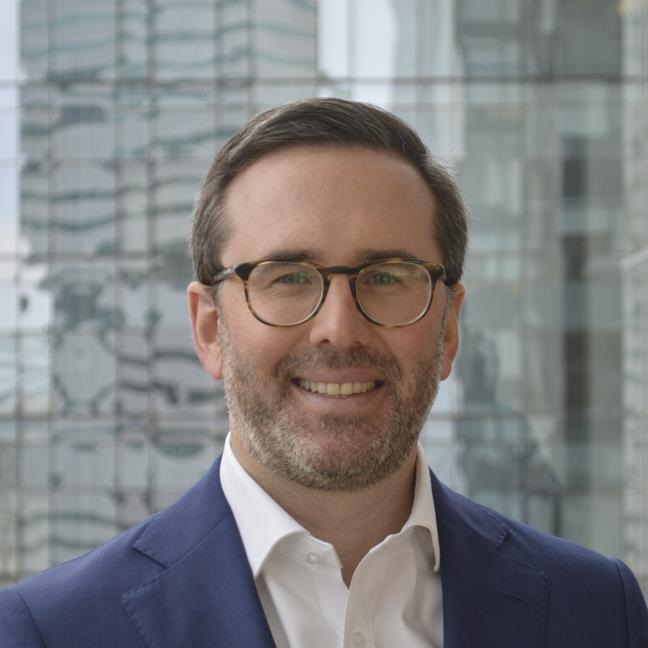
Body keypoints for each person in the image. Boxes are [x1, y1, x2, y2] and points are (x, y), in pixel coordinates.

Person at [0, 98, 646, 648]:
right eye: (287, 277)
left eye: (387, 277)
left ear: (449, 327)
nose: (339, 327)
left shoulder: (597, 611)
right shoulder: (50, 631)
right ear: (209, 329)